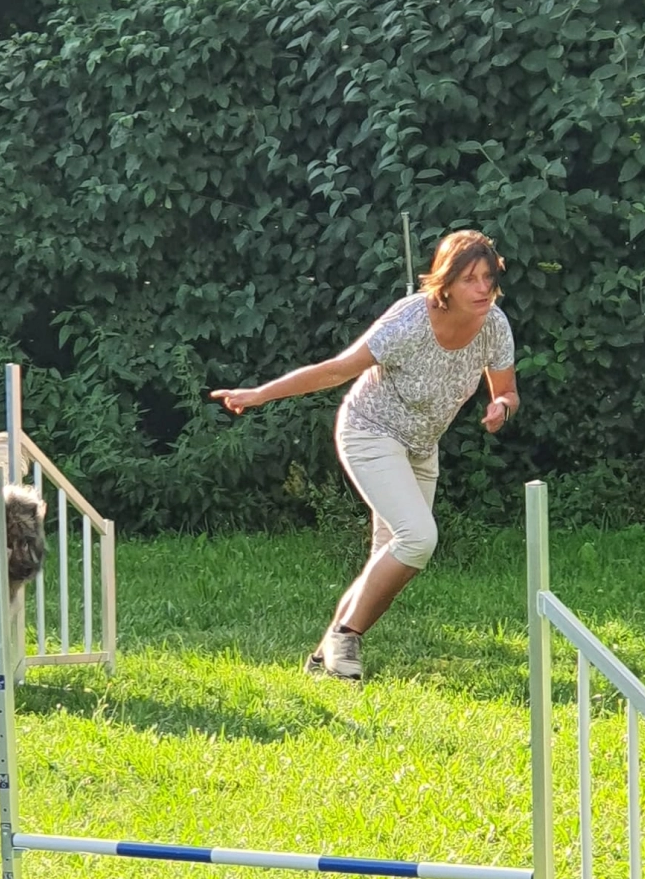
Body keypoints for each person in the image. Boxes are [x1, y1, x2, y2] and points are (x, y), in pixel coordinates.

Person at [212, 229, 518, 680]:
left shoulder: (494, 324)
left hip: (420, 445)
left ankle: (324, 658)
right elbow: (337, 370)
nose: (482, 289)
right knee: (418, 538)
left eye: (488, 278)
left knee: (389, 556)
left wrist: (502, 409)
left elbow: (507, 390)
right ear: (445, 282)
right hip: (369, 431)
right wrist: (260, 394)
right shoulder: (409, 322)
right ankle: (346, 636)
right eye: (470, 279)